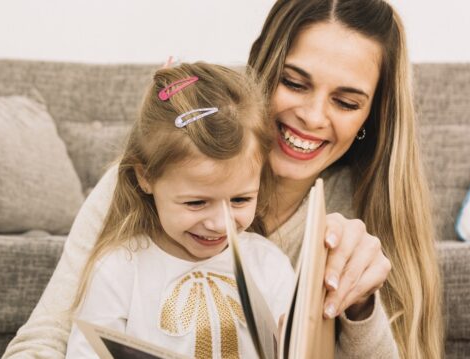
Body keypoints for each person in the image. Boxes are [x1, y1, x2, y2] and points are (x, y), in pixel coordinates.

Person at [3, 0, 441, 358]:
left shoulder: (361, 208)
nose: (311, 116)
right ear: (263, 72)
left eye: (346, 102)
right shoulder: (157, 175)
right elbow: (44, 339)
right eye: (293, 82)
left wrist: (360, 306)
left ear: (371, 116)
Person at [64, 62, 296, 358]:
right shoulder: (120, 268)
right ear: (146, 177)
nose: (218, 224)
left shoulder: (269, 266)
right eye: (196, 203)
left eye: (240, 200)